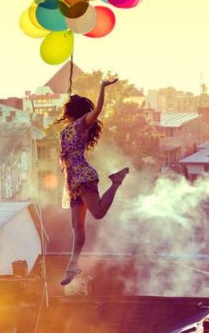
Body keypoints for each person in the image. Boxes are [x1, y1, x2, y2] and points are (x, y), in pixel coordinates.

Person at [56, 78, 129, 286]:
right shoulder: (67, 129)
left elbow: (97, 110)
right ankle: (73, 265)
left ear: (73, 111)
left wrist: (102, 87)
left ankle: (116, 181)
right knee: (77, 225)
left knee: (97, 213)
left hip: (82, 174)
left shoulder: (81, 125)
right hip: (72, 180)